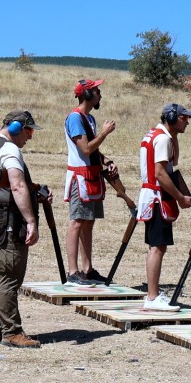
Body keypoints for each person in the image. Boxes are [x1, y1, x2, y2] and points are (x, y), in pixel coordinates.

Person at [0, 110, 52, 349]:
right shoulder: (10, 150)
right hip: (8, 222)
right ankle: (12, 332)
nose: (30, 136)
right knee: (9, 277)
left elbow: (2, 183)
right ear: (16, 128)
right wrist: (31, 221)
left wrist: (35, 190)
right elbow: (17, 187)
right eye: (28, 131)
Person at [63, 79, 133, 285]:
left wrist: (106, 160)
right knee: (77, 222)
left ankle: (87, 269)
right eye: (96, 91)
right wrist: (104, 133)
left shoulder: (89, 118)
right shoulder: (75, 118)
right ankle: (73, 271)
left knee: (88, 222)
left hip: (91, 176)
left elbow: (92, 149)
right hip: (80, 178)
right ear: (87, 95)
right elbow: (85, 149)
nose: (100, 94)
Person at [137, 103, 191, 311]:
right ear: (173, 117)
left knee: (156, 247)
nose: (187, 122)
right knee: (158, 247)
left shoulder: (158, 135)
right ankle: (152, 296)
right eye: (184, 118)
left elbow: (171, 165)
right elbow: (161, 173)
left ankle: (153, 294)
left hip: (152, 196)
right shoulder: (164, 139)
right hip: (157, 197)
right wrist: (180, 197)